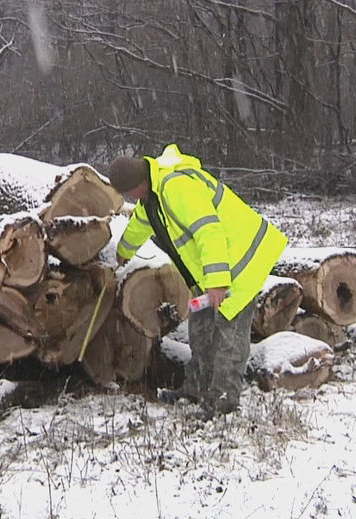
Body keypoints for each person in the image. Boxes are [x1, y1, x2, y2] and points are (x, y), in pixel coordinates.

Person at [107, 144, 288, 417]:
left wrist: (217, 282)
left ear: (138, 184)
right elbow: (142, 223)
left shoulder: (177, 187)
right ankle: (195, 389)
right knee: (201, 328)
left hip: (239, 264)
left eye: (129, 193)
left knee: (229, 333)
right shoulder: (152, 196)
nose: (130, 197)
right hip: (210, 273)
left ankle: (223, 400)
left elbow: (209, 232)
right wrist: (123, 251)